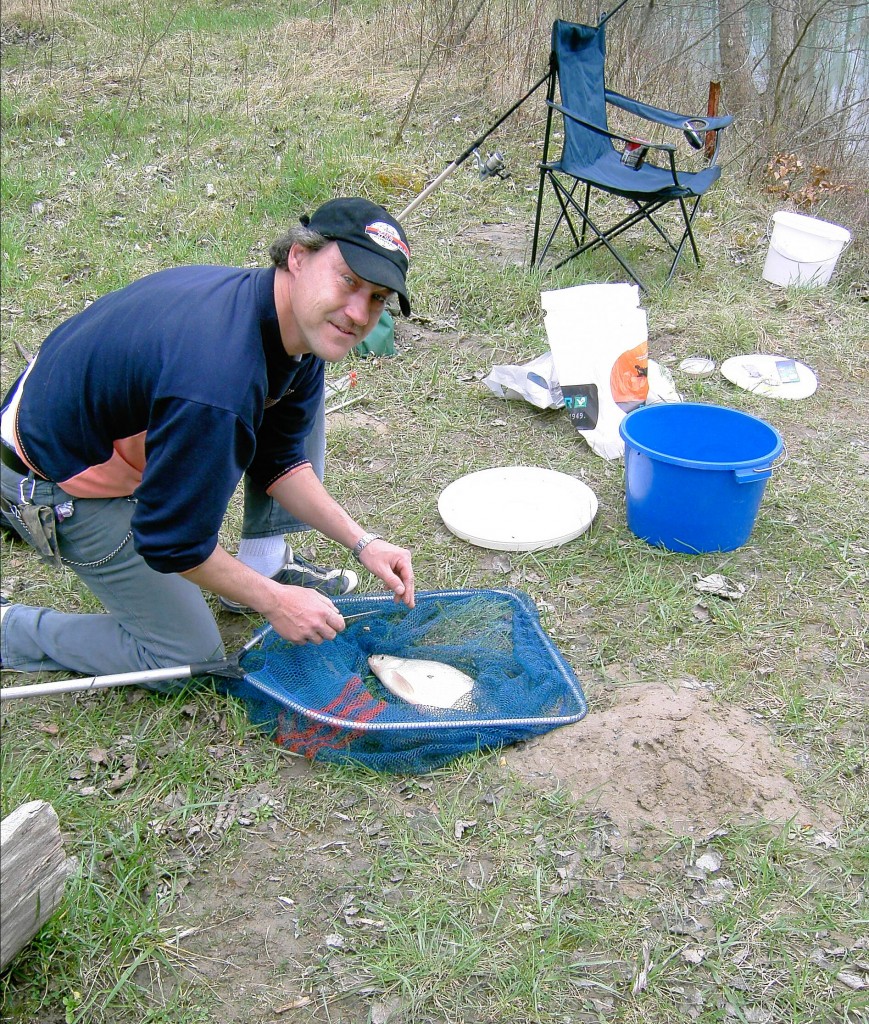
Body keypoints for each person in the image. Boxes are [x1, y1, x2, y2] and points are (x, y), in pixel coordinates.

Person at [0, 197, 415, 685]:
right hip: (50, 479)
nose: (359, 313)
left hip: (93, 421)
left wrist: (363, 542)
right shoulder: (217, 382)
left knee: (279, 413)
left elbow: (279, 458)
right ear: (298, 257)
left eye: (377, 297)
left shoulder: (291, 321)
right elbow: (172, 542)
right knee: (183, 657)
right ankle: (10, 629)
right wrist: (274, 601)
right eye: (348, 280)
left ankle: (262, 564)